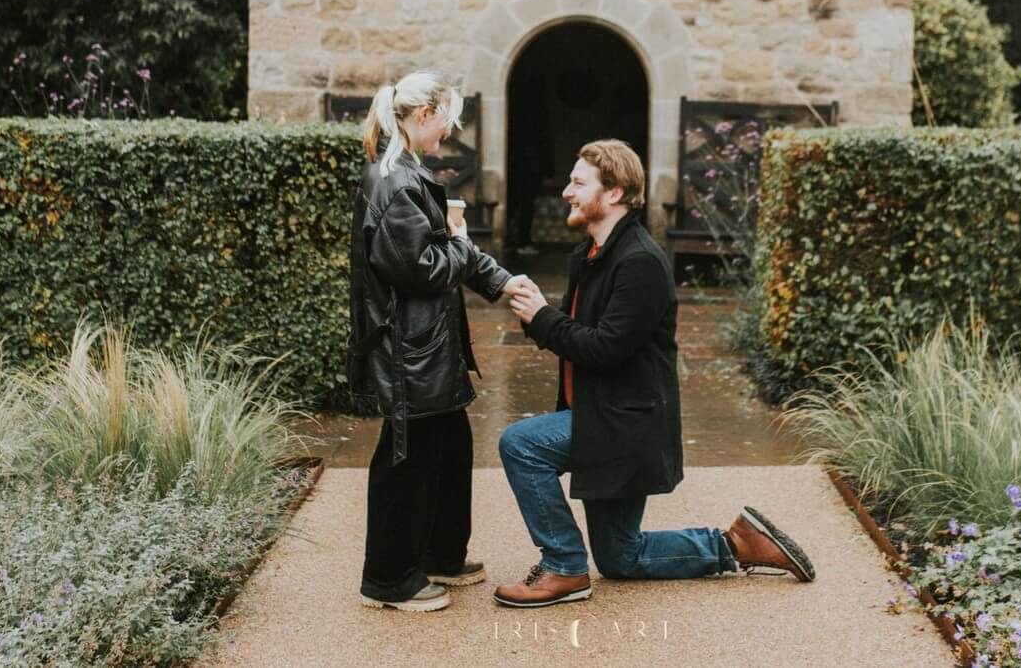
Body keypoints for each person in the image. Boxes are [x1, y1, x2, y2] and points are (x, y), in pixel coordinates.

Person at [494, 139, 816, 606]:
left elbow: (605, 349)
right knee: (622, 557)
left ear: (616, 192)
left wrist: (543, 317)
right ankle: (738, 544)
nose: (566, 191)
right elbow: (577, 335)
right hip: (607, 415)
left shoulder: (639, 261)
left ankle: (563, 567)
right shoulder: (593, 254)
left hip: (625, 424)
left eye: (579, 183)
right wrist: (536, 316)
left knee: (521, 445)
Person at [348, 70, 537, 612]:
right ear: (424, 116)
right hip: (411, 351)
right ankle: (387, 580)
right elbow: (423, 268)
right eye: (446, 122)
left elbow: (446, 254)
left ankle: (440, 554)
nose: (449, 133)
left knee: (449, 446)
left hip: (427, 346)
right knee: (407, 459)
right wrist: (458, 241)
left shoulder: (407, 174)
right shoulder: (394, 182)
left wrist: (500, 280)